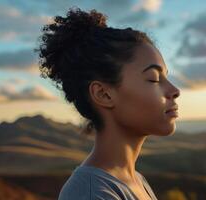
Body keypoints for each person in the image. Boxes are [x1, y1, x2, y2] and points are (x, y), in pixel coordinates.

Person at [36, 7, 180, 200]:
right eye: (154, 79)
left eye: (166, 77)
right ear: (103, 94)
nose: (175, 91)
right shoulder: (91, 194)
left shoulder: (136, 180)